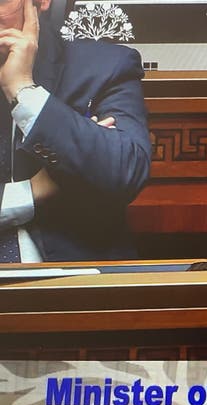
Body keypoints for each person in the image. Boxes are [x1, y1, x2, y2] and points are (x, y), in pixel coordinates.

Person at [0, 0, 151, 262]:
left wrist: (23, 90)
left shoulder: (105, 66)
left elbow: (124, 170)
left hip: (76, 284)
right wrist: (33, 192)